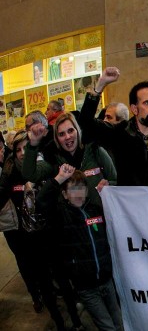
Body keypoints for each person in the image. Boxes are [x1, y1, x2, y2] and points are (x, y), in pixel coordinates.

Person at [0, 130, 84, 331]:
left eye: (26, 148)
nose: (22, 153)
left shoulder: (44, 167)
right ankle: (59, 323)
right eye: (18, 149)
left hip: (53, 233)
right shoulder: (10, 173)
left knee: (63, 280)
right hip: (29, 239)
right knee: (45, 286)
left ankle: (76, 320)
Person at [77, 67, 148, 195]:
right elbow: (86, 124)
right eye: (147, 103)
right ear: (134, 109)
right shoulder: (121, 133)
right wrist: (100, 85)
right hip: (132, 208)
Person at [37, 168, 122, 331]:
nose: (77, 194)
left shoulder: (95, 210)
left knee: (119, 321)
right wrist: (59, 178)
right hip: (86, 286)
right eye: (72, 189)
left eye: (81, 188)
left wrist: (108, 186)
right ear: (64, 194)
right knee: (107, 326)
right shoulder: (61, 216)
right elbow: (41, 201)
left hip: (107, 280)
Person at [22, 112, 117, 205]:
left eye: (70, 131)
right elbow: (30, 174)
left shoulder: (96, 151)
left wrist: (109, 185)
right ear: (57, 139)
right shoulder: (53, 160)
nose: (67, 137)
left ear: (78, 130)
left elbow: (115, 180)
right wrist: (33, 145)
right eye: (61, 134)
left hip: (101, 216)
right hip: (71, 219)